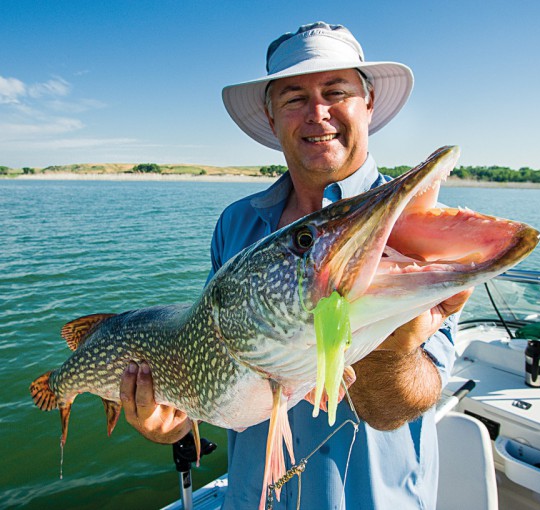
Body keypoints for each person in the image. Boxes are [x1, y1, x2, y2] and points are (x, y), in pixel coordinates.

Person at [119, 22, 471, 509]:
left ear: (367, 101)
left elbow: (405, 403)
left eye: (335, 91)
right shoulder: (237, 222)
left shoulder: (412, 224)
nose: (318, 114)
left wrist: (393, 353)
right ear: (271, 115)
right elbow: (210, 356)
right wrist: (174, 420)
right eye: (293, 98)